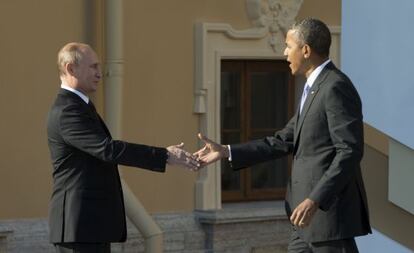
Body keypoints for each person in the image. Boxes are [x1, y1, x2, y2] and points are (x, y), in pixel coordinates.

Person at [194, 18, 371, 253]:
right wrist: (226, 151)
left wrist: (315, 199)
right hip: (302, 224)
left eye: (289, 46)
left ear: (306, 50)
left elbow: (349, 151)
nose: (285, 53)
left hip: (328, 222)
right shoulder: (312, 89)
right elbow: (280, 141)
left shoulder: (335, 87)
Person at [47, 42, 199, 253]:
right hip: (79, 226)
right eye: (93, 67)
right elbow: (108, 150)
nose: (100, 74)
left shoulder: (80, 105)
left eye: (99, 67)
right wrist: (164, 155)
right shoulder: (68, 111)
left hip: (89, 226)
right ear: (70, 68)